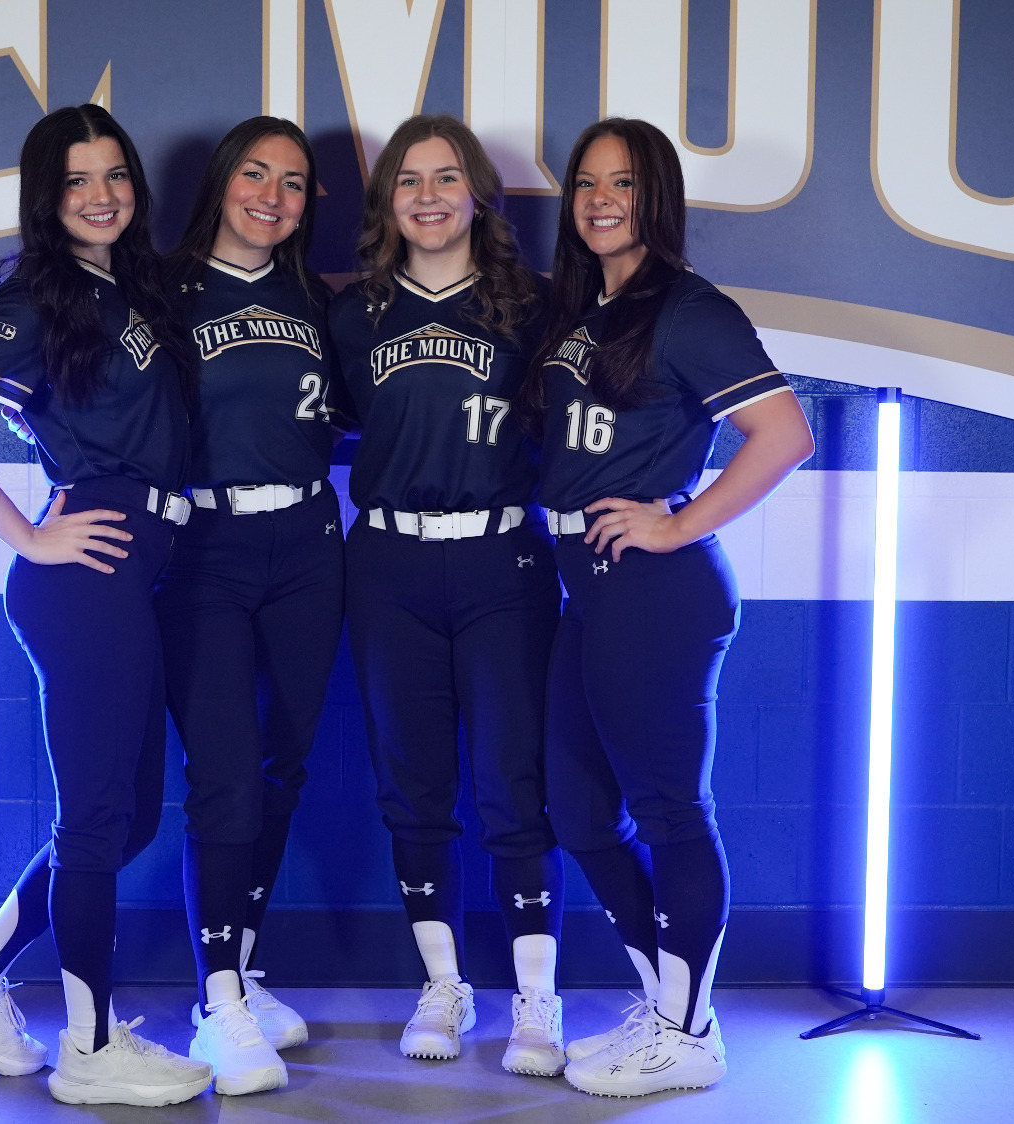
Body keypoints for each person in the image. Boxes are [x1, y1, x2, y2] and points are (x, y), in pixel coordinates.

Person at [0, 103, 214, 1108]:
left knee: (122, 822)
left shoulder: (138, 289)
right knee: (94, 818)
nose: (99, 194)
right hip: (84, 575)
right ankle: (88, 1047)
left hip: (143, 567)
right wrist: (29, 532)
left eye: (114, 173)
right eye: (76, 179)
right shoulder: (36, 299)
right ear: (47, 195)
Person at [524, 118, 814, 1098]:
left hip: (652, 590)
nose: (601, 198)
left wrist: (679, 519)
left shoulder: (686, 308)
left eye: (623, 182)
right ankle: (673, 1005)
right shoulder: (578, 307)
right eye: (586, 182)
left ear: (656, 197)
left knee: (666, 811)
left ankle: (685, 1032)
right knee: (573, 806)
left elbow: (781, 433)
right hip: (585, 586)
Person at [325, 114, 567, 1076]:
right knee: (413, 786)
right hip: (387, 563)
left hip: (502, 560)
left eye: (446, 177)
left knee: (514, 783)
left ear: (477, 194)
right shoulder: (352, 315)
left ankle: (535, 999)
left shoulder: (533, 306)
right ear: (387, 200)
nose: (427, 197)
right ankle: (443, 984)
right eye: (407, 181)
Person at [154, 116, 342, 1096]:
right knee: (223, 775)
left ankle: (241, 968)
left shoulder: (320, 298)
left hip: (309, 544)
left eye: (296, 182)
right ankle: (214, 999)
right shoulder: (161, 289)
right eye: (255, 174)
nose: (272, 195)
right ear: (222, 180)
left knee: (281, 767)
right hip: (206, 547)